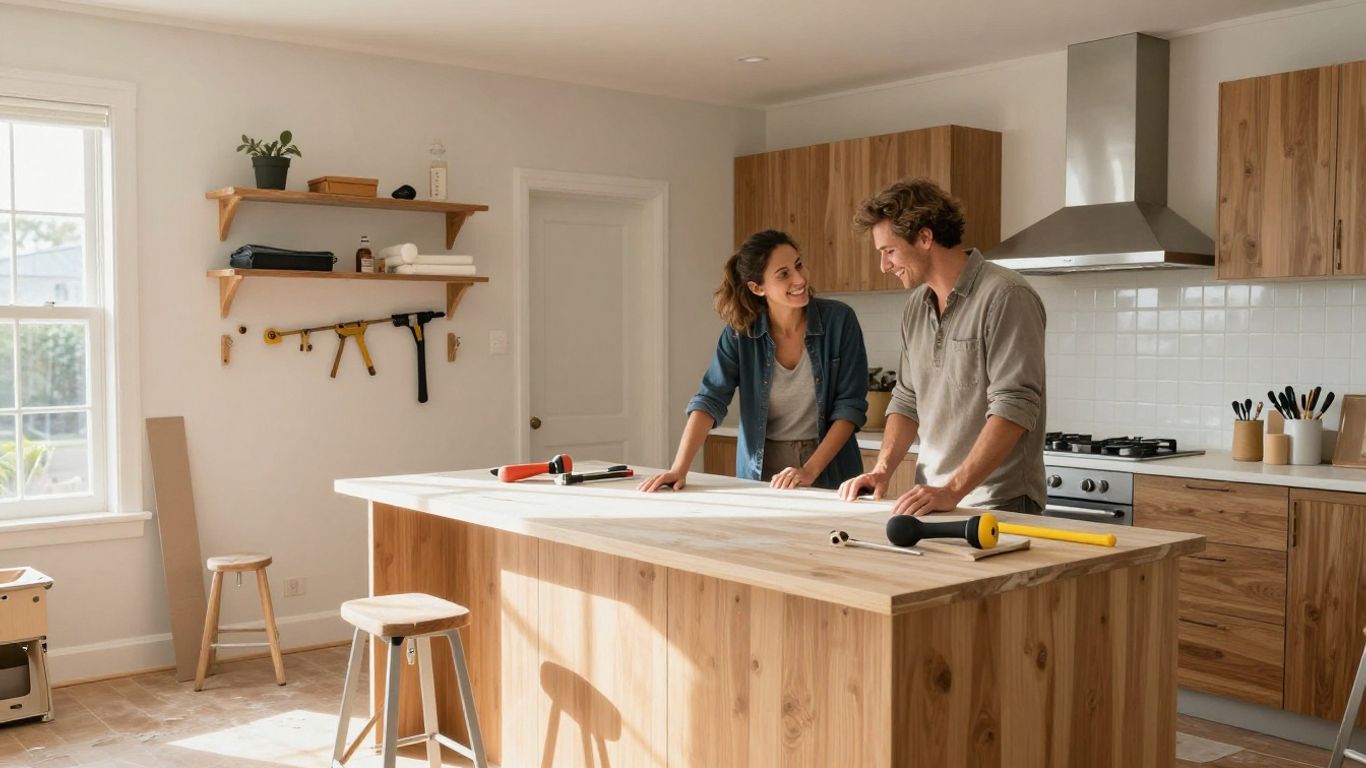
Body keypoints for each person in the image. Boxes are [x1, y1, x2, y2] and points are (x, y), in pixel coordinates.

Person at [837, 178, 1047, 515]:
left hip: (1000, 502)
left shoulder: (1006, 296)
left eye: (889, 251)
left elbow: (1014, 407)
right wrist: (881, 471)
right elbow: (907, 400)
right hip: (934, 500)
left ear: (924, 237)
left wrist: (952, 490)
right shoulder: (916, 305)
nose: (884, 266)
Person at [639, 230, 868, 492]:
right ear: (758, 288)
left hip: (831, 463)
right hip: (762, 467)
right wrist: (678, 469)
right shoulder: (741, 332)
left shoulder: (839, 321)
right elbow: (710, 399)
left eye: (798, 265)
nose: (799, 278)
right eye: (783, 274)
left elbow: (849, 407)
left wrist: (809, 470)